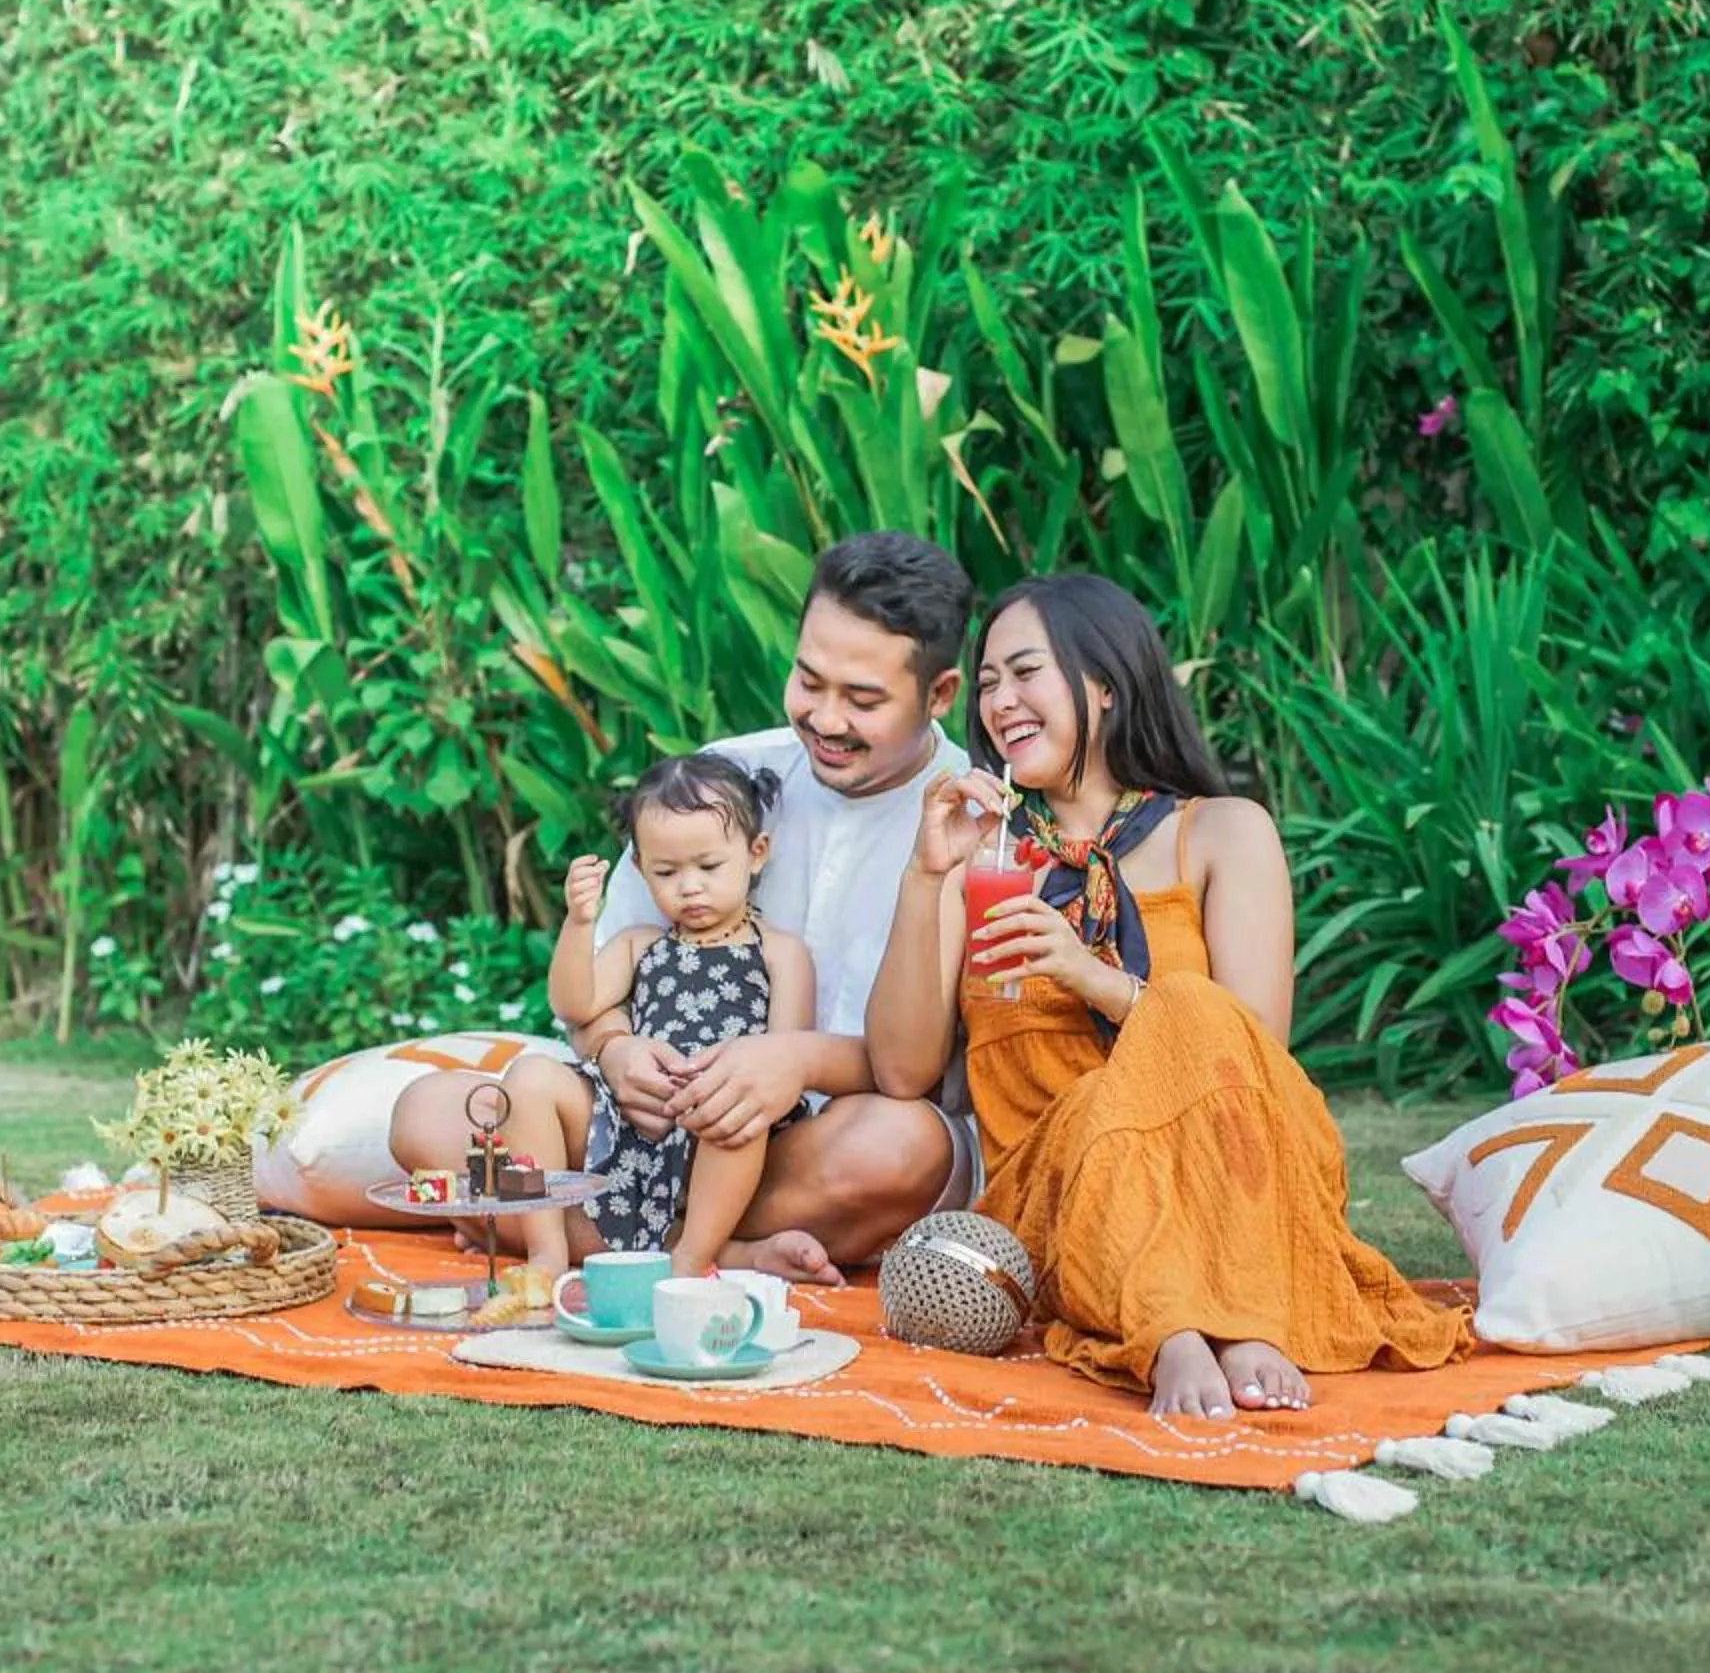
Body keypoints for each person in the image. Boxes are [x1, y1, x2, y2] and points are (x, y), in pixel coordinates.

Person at [864, 573, 1473, 1419]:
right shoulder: (985, 859)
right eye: (990, 680)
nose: (1000, 700)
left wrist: (1098, 981)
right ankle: (1188, 1327)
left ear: (1106, 686)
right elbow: (900, 1070)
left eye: (1026, 671)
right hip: (1061, 1192)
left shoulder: (1223, 832)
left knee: (1189, 1007)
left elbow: (1250, 1051)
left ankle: (1220, 1309)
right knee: (1091, 1113)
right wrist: (924, 875)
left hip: (1230, 1170)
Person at [385, 531, 984, 1283]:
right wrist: (616, 1050)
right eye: (809, 681)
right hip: (642, 1124)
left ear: (940, 696)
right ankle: (709, 1253)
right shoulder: (723, 779)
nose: (826, 720)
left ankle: (572, 1237)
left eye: (863, 700)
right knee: (430, 1117)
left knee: (904, 1147)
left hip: (807, 1143)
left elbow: (911, 1075)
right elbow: (601, 989)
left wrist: (791, 1061)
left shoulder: (969, 820)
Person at [489, 755, 814, 1285]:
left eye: (709, 868)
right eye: (666, 872)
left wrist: (724, 1083)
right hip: (631, 1114)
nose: (689, 887)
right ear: (640, 870)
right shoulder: (641, 945)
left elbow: (783, 1058)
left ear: (756, 854)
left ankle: (691, 1258)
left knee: (740, 1104)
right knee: (526, 1078)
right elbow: (574, 1006)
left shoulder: (779, 952)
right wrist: (578, 923)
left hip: (723, 1123)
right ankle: (544, 1250)